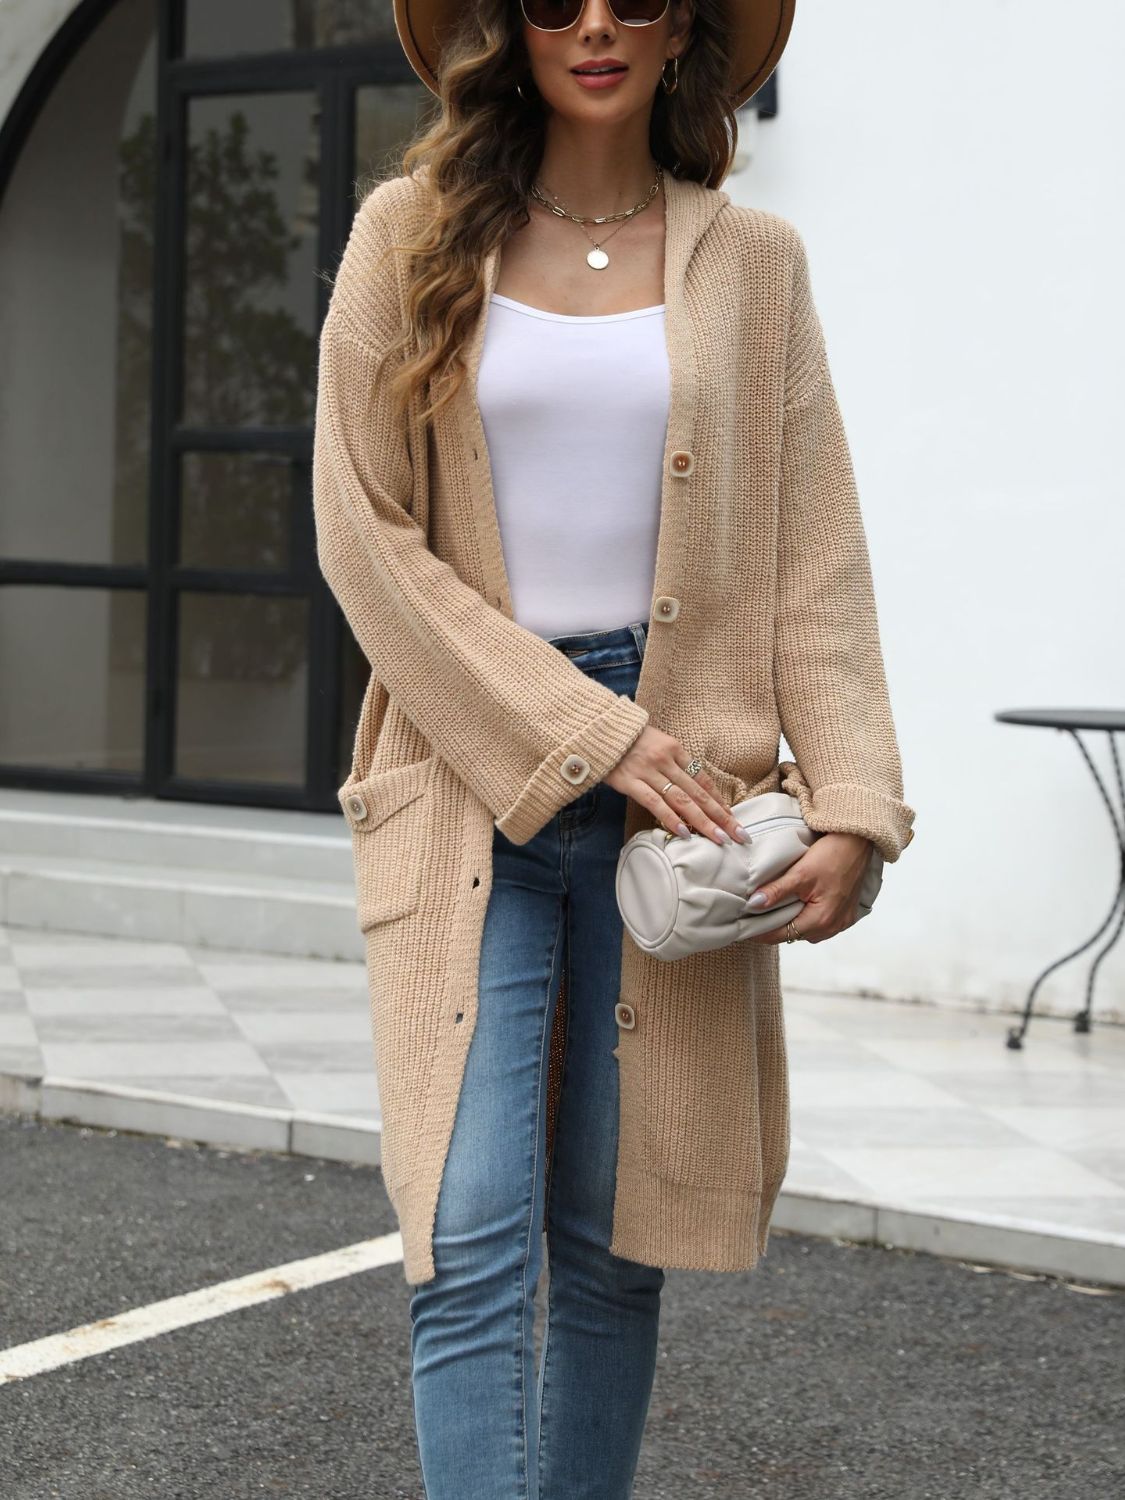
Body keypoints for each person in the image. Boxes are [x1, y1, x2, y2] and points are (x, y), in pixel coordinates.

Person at [312, 2, 915, 1496]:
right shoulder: (404, 235)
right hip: (468, 767)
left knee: (613, 1238)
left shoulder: (755, 263)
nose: (593, 24)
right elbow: (361, 532)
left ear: (683, 28)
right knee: (464, 1231)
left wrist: (855, 801)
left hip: (687, 798)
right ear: (506, 28)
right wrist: (586, 729)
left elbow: (814, 550)